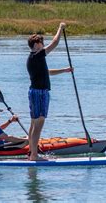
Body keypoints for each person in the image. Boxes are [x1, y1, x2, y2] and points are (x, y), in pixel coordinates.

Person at [26, 23, 72, 160]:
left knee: (34, 124)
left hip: (34, 92)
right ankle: (34, 155)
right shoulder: (38, 55)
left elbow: (47, 72)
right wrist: (60, 27)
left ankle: (31, 152)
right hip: (40, 93)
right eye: (41, 43)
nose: (43, 45)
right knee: (38, 125)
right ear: (35, 45)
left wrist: (64, 70)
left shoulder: (33, 58)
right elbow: (55, 43)